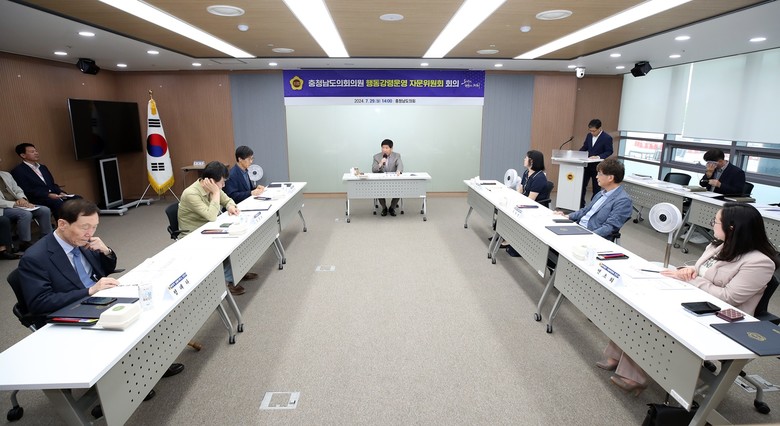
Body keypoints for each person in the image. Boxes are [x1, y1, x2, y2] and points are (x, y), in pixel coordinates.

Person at [597, 203, 777, 395]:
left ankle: (634, 375)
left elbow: (729, 297)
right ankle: (617, 356)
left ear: (731, 228)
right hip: (698, 300)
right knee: (639, 306)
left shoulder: (760, 262)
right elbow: (701, 270)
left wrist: (692, 279)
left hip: (724, 317)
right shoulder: (718, 245)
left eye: (715, 222)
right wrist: (689, 271)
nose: (712, 225)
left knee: (655, 318)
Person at [18, 199, 185, 396]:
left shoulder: (81, 241)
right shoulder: (36, 258)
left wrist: (106, 251)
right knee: (122, 324)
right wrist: (89, 291)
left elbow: (105, 269)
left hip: (99, 297)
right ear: (62, 224)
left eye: (94, 227)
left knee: (145, 310)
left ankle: (155, 364)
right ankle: (126, 385)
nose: (90, 233)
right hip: (72, 311)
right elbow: (39, 303)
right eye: (85, 227)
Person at [178, 161, 258, 295]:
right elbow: (211, 215)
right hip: (193, 234)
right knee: (228, 244)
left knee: (239, 238)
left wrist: (230, 206)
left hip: (209, 228)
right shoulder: (191, 193)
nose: (224, 185)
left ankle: (238, 272)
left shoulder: (214, 187)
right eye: (222, 182)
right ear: (210, 181)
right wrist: (216, 193)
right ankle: (228, 281)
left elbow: (228, 200)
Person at [555, 158, 632, 239]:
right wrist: (568, 216)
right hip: (579, 228)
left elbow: (609, 227)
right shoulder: (600, 193)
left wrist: (587, 236)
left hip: (590, 235)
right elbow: (585, 210)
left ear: (610, 178)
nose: (596, 177)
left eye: (600, 174)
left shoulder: (623, 200)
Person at [11, 143, 79, 219]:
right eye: (32, 152)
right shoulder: (18, 171)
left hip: (54, 195)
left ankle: (79, 222)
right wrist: (48, 195)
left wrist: (60, 192)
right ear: (23, 155)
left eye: (36, 151)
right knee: (57, 202)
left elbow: (52, 184)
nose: (36, 153)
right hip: (38, 198)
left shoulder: (43, 167)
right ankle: (62, 225)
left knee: (77, 198)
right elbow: (27, 190)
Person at [503, 150, 550, 255]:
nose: (524, 159)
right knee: (505, 207)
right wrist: (515, 196)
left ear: (532, 161)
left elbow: (530, 200)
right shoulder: (526, 173)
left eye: (526, 158)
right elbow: (522, 189)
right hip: (524, 201)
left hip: (534, 207)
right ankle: (504, 235)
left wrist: (518, 198)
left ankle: (511, 241)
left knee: (512, 211)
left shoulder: (539, 177)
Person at [0, 165, 53, 252]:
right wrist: (15, 204)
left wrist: (22, 199)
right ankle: (24, 243)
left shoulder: (6, 175)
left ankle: (47, 237)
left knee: (44, 210)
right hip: (3, 208)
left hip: (18, 203)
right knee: (25, 214)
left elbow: (17, 189)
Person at [579, 119, 614, 208]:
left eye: (594, 131)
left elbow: (609, 151)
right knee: (582, 186)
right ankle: (581, 205)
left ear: (599, 128)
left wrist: (598, 157)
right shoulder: (589, 136)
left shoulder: (607, 138)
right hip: (586, 165)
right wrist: (577, 154)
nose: (592, 133)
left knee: (596, 187)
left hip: (598, 166)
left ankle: (594, 206)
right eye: (590, 131)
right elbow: (585, 147)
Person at [371, 139, 404, 216]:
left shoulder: (397, 155)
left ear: (391, 148)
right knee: (378, 190)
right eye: (383, 148)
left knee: (400, 190)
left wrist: (399, 171)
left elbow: (400, 165)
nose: (384, 150)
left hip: (393, 180)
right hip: (381, 181)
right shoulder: (376, 157)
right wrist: (380, 163)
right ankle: (384, 208)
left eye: (386, 148)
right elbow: (373, 170)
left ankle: (392, 207)